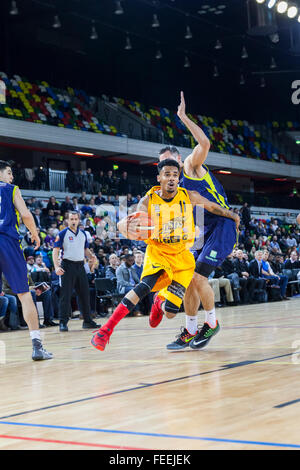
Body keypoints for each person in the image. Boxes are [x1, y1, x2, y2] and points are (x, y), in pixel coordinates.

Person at [91, 159, 239, 351]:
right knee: (144, 286)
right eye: (167, 175)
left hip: (182, 259)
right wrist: (123, 226)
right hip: (159, 253)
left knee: (170, 312)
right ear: (159, 177)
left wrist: (233, 215)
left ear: (179, 178)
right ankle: (106, 330)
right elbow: (127, 220)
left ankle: (160, 302)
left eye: (175, 175)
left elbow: (212, 207)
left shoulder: (189, 196)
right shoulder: (149, 200)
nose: (171, 178)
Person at [158, 92, 239, 351]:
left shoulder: (192, 167)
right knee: (189, 279)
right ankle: (191, 331)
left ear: (180, 160)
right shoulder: (172, 190)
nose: (168, 167)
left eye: (171, 160)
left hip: (222, 224)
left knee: (198, 276)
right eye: (163, 165)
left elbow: (204, 143)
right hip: (204, 230)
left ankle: (211, 323)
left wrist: (183, 117)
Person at [0, 160, 52, 360]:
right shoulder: (11, 189)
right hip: (7, 242)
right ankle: (37, 346)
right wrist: (35, 234)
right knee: (24, 294)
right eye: (10, 173)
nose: (12, 176)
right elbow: (26, 215)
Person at [52, 211, 100, 332]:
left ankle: (87, 321)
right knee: (65, 295)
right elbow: (55, 251)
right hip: (67, 266)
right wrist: (57, 267)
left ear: (79, 220)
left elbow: (85, 249)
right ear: (67, 220)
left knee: (85, 294)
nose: (73, 221)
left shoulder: (83, 234)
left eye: (75, 219)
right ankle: (63, 322)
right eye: (71, 219)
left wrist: (92, 257)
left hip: (80, 266)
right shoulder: (62, 233)